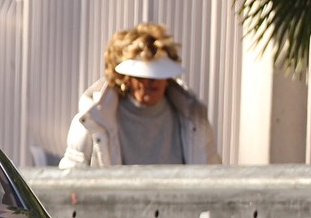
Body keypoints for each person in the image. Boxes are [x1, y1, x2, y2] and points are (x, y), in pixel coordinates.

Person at [61, 23, 219, 170]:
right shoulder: (93, 118)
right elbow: (70, 179)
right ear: (125, 78)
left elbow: (213, 177)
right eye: (141, 76)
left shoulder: (194, 118)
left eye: (157, 75)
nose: (150, 83)